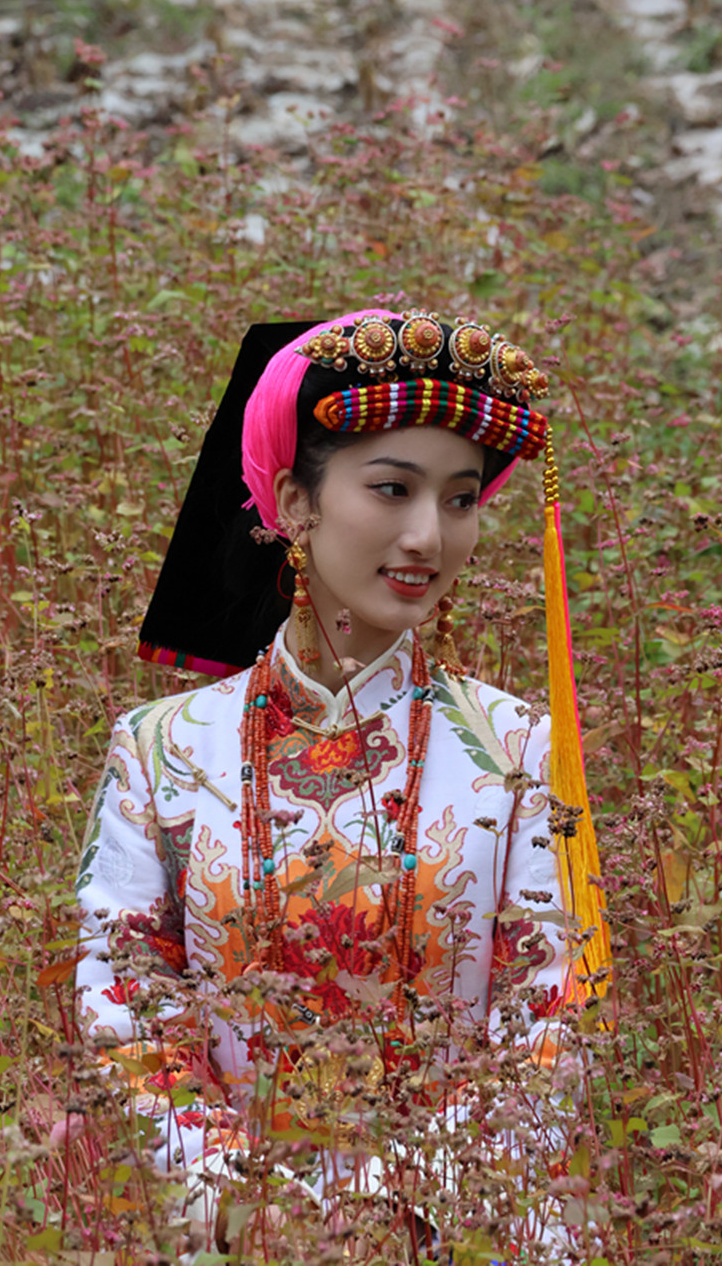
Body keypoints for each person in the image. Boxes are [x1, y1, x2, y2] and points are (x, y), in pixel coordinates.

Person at [75, 309, 609, 1261]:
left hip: (466, 1229)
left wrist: (394, 1201)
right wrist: (249, 1204)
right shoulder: (160, 749)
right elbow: (121, 1004)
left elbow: (555, 1010)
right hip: (228, 1233)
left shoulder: (522, 748)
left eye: (460, 499)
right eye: (392, 488)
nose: (428, 535)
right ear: (295, 501)